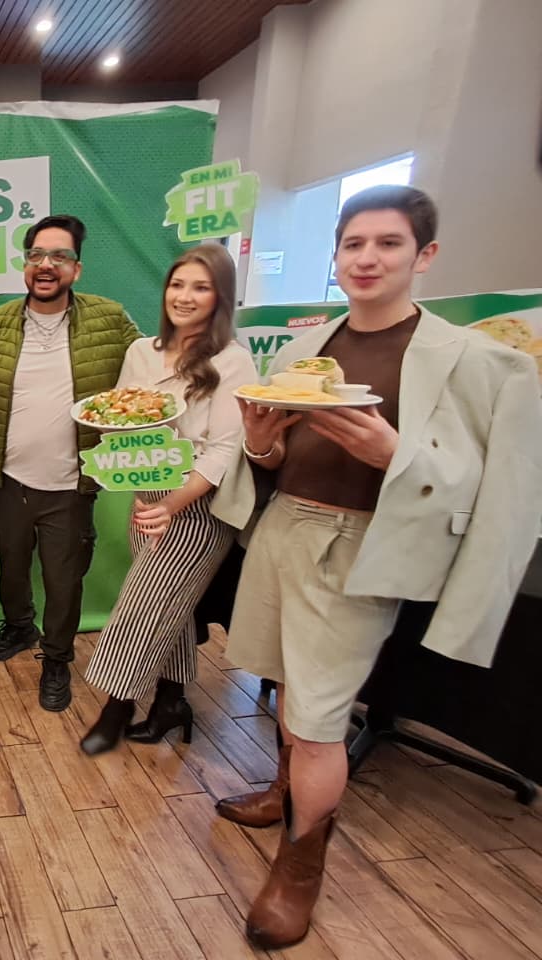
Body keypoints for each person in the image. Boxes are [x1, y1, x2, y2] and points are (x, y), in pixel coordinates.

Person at [211, 185, 542, 949]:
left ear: (425, 254)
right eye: (353, 244)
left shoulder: (479, 361)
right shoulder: (303, 351)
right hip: (283, 531)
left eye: (388, 243)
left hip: (360, 547)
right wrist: (260, 442)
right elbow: (274, 459)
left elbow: (504, 490)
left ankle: (300, 865)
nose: (367, 258)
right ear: (335, 256)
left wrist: (398, 455)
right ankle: (284, 791)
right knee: (286, 686)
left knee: (319, 723)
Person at [80, 244, 256, 754]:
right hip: (148, 491)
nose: (184, 296)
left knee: (144, 604)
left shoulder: (233, 360)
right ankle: (172, 701)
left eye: (201, 287)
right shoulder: (141, 352)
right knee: (170, 603)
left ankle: (116, 707)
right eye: (177, 284)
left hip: (199, 502)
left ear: (221, 297)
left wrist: (172, 504)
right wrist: (135, 480)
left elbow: (224, 450)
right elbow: (119, 419)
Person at [0, 214, 140, 711]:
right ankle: (19, 627)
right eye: (36, 255)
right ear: (25, 264)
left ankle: (58, 659)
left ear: (76, 268)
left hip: (70, 485)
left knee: (64, 581)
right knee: (11, 566)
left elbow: (149, 367)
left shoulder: (110, 319)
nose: (46, 265)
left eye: (59, 256)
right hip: (8, 480)